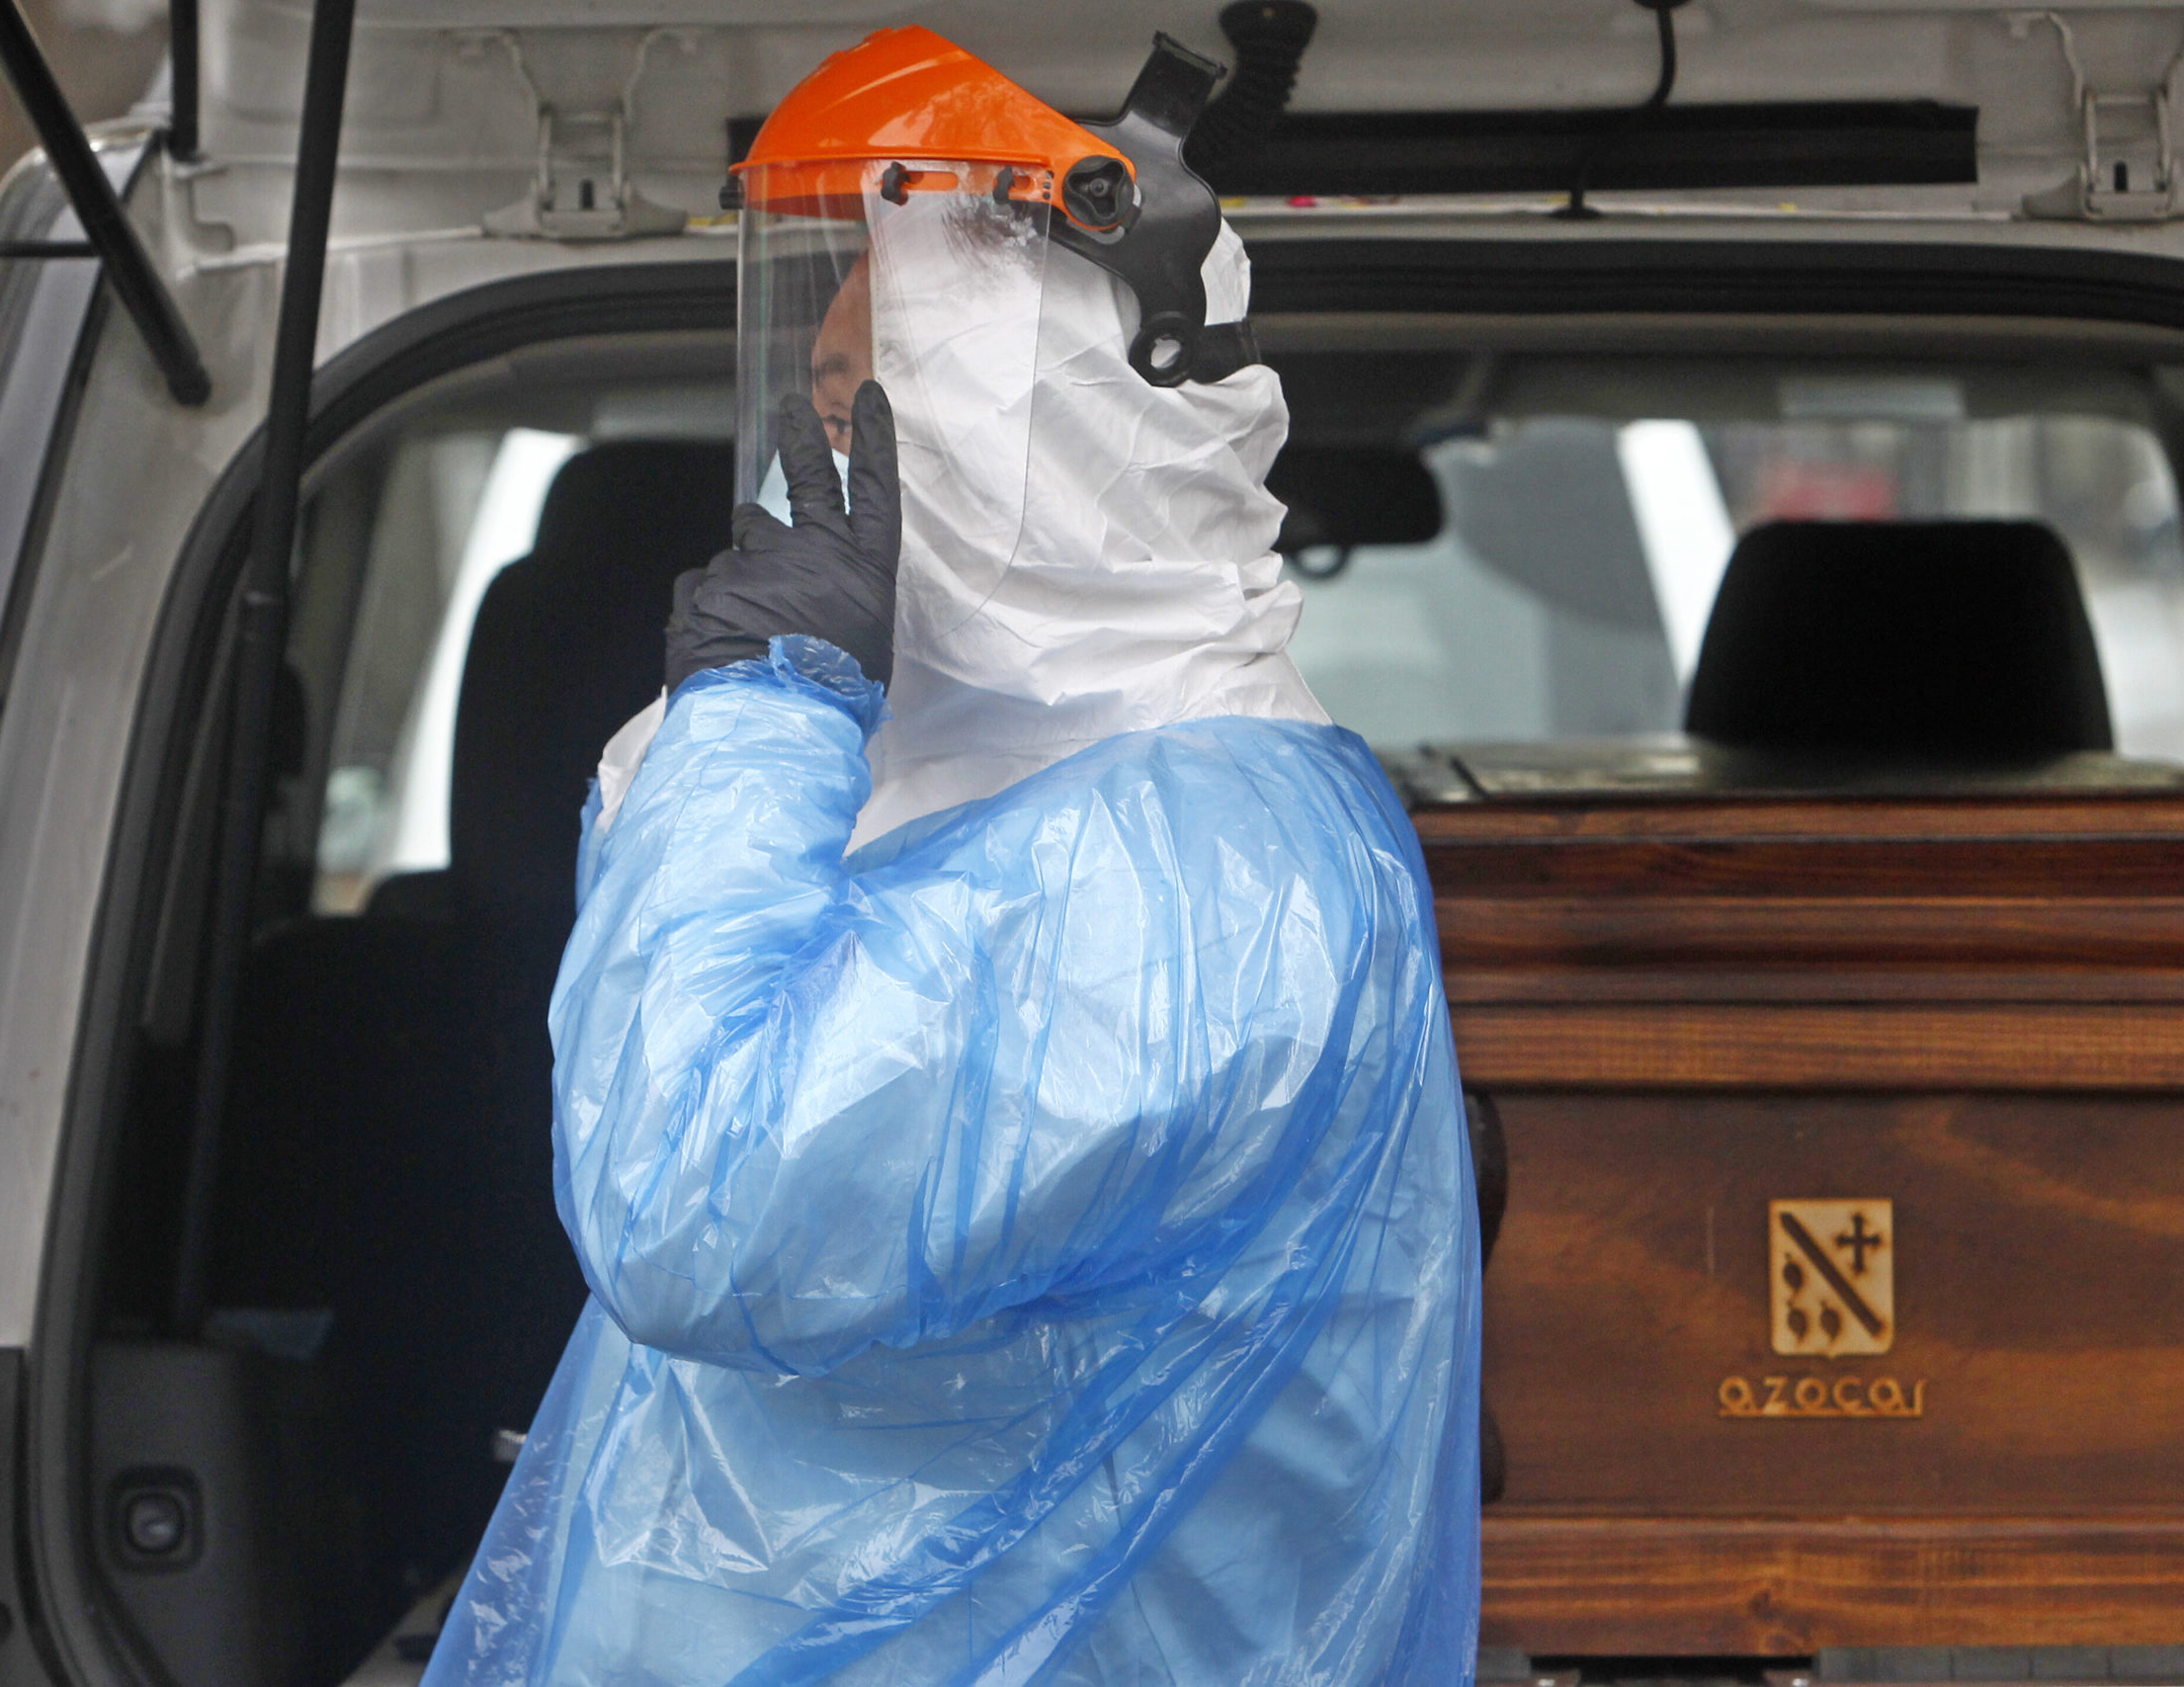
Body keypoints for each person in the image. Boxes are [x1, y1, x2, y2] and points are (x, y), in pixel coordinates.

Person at [427, 26, 1477, 1686]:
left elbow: (693, 1208)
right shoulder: (1059, 806)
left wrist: (762, 709)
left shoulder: (1194, 879)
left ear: (1026, 435)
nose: (813, 453)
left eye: (861, 401)